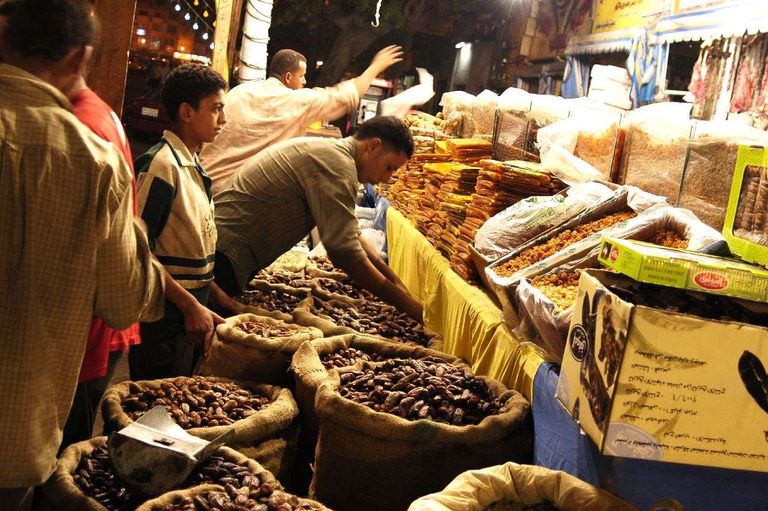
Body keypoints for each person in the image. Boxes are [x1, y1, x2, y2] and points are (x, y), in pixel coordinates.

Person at [0, 1, 165, 508]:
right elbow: (123, 303)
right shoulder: (94, 161)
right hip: (15, 430)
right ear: (78, 56)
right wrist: (134, 229)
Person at [213, 116, 423, 321]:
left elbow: (350, 233)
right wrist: (405, 304)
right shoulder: (338, 165)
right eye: (389, 168)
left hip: (226, 252)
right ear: (373, 146)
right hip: (224, 256)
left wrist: (396, 283)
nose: (386, 179)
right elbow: (344, 251)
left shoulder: (332, 153)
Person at [129, 63, 234, 381]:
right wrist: (190, 306)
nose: (223, 120)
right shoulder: (162, 166)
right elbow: (138, 252)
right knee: (152, 406)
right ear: (187, 112)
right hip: (163, 319)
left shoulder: (192, 162)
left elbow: (190, 247)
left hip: (189, 316)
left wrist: (217, 297)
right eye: (216, 109)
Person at [58, 63, 144, 448]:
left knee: (63, 455)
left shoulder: (79, 125)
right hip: (98, 327)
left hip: (86, 333)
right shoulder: (90, 112)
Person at [200, 45, 404, 194]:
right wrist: (376, 66)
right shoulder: (293, 100)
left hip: (202, 185)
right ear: (288, 78)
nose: (305, 82)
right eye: (302, 76)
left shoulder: (239, 92)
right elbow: (344, 97)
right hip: (231, 195)